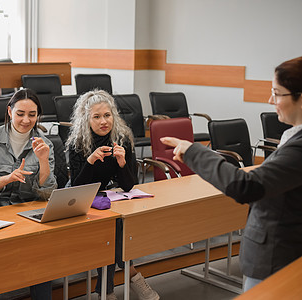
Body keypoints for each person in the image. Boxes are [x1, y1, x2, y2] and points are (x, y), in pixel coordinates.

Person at [161, 56, 302, 292]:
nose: (270, 100)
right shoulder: (293, 137)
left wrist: (194, 151)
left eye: (277, 93)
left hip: (278, 257)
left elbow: (246, 186)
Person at [66, 90, 160, 300]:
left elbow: (128, 185)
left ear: (113, 116)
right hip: (79, 196)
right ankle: (132, 278)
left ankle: (106, 292)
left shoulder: (122, 138)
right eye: (97, 117)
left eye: (107, 115)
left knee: (116, 228)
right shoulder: (77, 143)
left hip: (106, 196)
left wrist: (122, 163)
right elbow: (78, 185)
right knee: (109, 231)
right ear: (86, 119)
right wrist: (90, 161)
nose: (103, 121)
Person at [0, 88, 57, 299]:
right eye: (20, 113)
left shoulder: (46, 145)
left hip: (24, 204)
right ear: (9, 112)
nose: (26, 120)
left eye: (32, 115)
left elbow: (47, 193)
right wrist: (5, 179)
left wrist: (43, 161)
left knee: (44, 242)